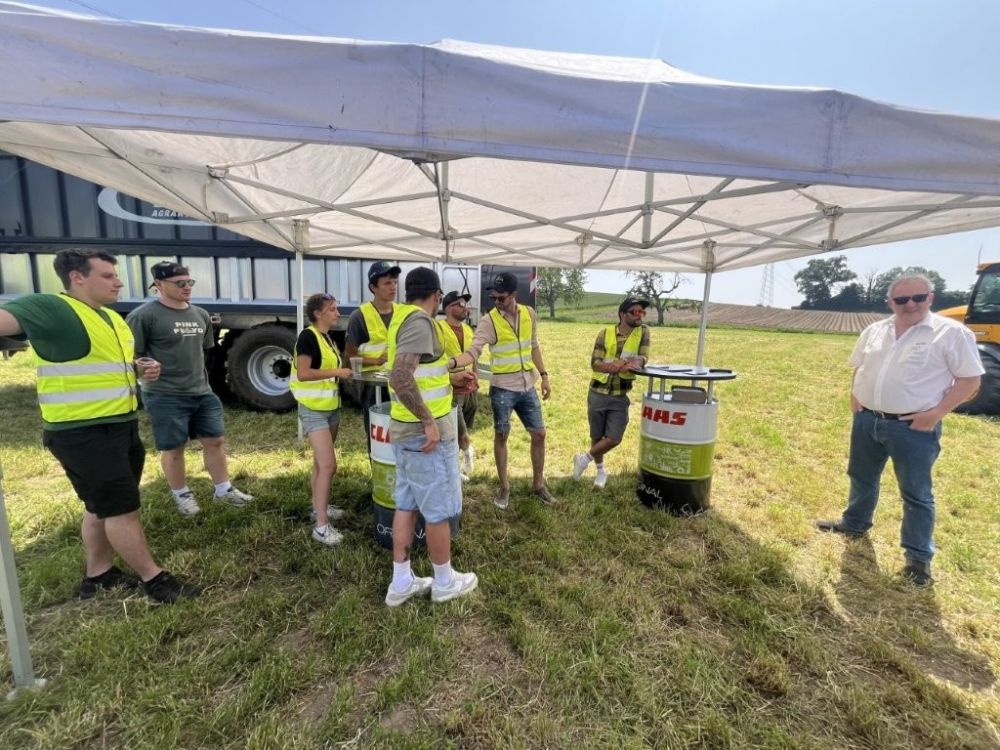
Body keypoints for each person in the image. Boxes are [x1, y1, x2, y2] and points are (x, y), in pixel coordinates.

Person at [0, 249, 200, 603]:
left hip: (119, 424)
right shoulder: (52, 307)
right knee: (121, 509)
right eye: (108, 275)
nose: (118, 282)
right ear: (77, 277)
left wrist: (139, 368)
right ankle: (155, 580)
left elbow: (104, 365)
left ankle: (98, 575)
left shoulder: (110, 318)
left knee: (100, 505)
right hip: (82, 431)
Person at [816, 273, 983, 586]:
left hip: (913, 426)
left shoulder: (950, 333)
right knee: (861, 476)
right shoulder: (874, 331)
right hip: (867, 419)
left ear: (930, 298)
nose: (910, 305)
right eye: (902, 299)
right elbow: (860, 366)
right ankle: (855, 523)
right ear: (890, 302)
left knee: (916, 492)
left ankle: (918, 558)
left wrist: (936, 414)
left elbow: (970, 380)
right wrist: (855, 395)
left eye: (918, 298)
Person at [126, 262, 254, 518]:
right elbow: (130, 355)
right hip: (165, 394)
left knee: (215, 440)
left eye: (189, 282)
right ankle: (182, 494)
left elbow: (205, 352)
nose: (187, 287)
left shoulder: (200, 314)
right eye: (180, 283)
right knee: (174, 448)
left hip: (202, 391)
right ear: (159, 285)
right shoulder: (143, 316)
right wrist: (140, 368)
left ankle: (223, 489)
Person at [383, 267, 478, 606]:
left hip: (406, 430)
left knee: (407, 504)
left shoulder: (400, 317)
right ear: (437, 295)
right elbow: (401, 377)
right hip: (424, 435)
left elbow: (420, 373)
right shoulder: (420, 322)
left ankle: (401, 582)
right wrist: (428, 421)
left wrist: (452, 379)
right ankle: (444, 581)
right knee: (438, 510)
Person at [450, 272, 556, 509]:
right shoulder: (489, 321)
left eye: (501, 298)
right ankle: (504, 487)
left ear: (514, 295)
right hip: (503, 389)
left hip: (528, 385)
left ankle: (538, 485)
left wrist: (544, 375)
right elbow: (473, 352)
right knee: (502, 436)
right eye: (493, 298)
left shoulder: (529, 314)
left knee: (539, 434)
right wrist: (452, 363)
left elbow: (534, 346)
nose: (496, 302)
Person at [289, 293, 353, 547]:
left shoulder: (326, 337)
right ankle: (321, 527)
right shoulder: (308, 337)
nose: (338, 313)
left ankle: (319, 508)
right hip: (313, 409)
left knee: (320, 463)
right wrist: (338, 371)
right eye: (332, 309)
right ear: (318, 313)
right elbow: (304, 374)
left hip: (330, 408)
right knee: (328, 466)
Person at [572, 297, 651, 488]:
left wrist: (634, 362)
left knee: (614, 438)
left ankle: (584, 459)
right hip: (598, 391)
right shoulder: (605, 333)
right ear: (622, 314)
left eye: (642, 312)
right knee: (597, 436)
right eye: (635, 312)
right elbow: (595, 364)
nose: (639, 315)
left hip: (620, 394)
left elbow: (643, 358)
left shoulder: (643, 332)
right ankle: (600, 472)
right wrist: (616, 365)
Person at [345, 261, 400, 444]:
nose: (393, 287)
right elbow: (350, 357)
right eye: (387, 283)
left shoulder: (402, 312)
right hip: (372, 385)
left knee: (402, 431)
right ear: (373, 287)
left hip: (400, 381)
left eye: (395, 282)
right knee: (378, 435)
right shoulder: (359, 316)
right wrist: (375, 360)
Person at [438, 290, 479, 481]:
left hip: (470, 388)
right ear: (449, 308)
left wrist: (476, 377)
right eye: (461, 304)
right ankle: (464, 457)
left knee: (463, 430)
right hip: (451, 389)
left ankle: (457, 463)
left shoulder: (468, 330)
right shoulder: (439, 329)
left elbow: (473, 355)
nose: (466, 308)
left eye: (465, 304)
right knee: (459, 433)